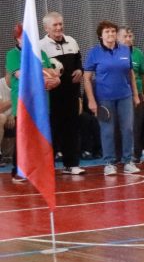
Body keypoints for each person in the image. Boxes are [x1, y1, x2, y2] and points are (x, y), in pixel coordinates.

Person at [83, 20, 141, 176]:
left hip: (125, 96)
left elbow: (131, 74)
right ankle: (109, 163)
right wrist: (91, 100)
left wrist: (135, 95)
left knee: (128, 129)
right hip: (104, 98)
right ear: (101, 36)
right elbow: (86, 78)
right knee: (107, 130)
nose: (111, 34)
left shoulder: (125, 50)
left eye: (113, 31)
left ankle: (128, 160)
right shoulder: (94, 53)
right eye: (107, 32)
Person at [6, 23, 60, 181]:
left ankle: (41, 168)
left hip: (42, 102)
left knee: (42, 136)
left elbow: (53, 75)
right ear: (18, 38)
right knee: (23, 137)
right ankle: (19, 170)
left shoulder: (40, 53)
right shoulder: (13, 55)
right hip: (23, 103)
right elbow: (21, 74)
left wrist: (54, 80)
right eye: (24, 37)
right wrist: (44, 75)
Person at [40, 11, 86, 174]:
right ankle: (48, 166)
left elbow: (79, 61)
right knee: (51, 130)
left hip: (71, 94)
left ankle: (72, 164)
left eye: (61, 24)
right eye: (55, 25)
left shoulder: (72, 41)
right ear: (46, 28)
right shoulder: (40, 46)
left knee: (72, 128)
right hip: (52, 97)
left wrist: (80, 70)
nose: (59, 27)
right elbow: (39, 72)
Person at [118, 26, 144, 162]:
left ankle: (136, 154)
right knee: (122, 126)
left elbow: (143, 76)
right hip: (121, 94)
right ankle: (121, 154)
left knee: (137, 125)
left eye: (130, 36)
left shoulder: (138, 53)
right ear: (118, 39)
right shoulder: (115, 53)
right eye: (125, 36)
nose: (128, 39)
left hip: (137, 95)